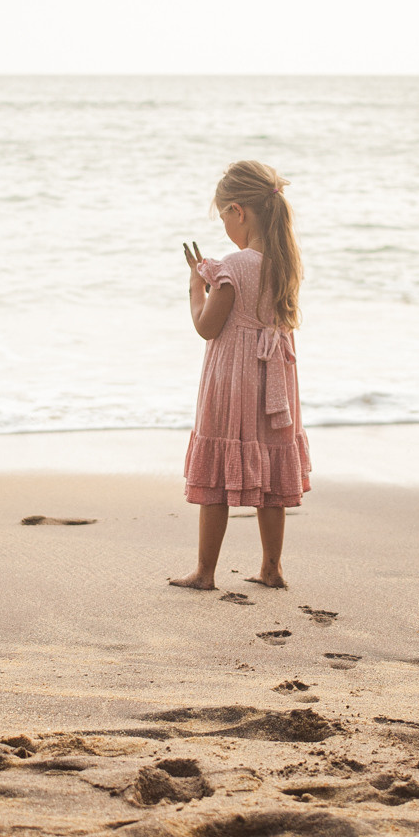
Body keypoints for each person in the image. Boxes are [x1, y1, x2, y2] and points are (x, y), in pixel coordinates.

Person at [170, 159, 311, 592]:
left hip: (234, 379)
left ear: (239, 211)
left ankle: (205, 572)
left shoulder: (234, 265)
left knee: (217, 475)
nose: (225, 226)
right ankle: (272, 568)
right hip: (275, 381)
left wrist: (196, 284)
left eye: (223, 217)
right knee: (270, 474)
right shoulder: (285, 262)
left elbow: (207, 326)